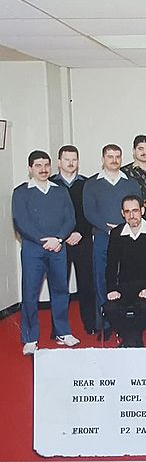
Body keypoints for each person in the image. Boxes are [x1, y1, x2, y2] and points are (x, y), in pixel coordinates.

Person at [12, 150, 78, 355]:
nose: (43, 169)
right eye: (38, 165)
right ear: (30, 168)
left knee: (61, 291)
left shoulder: (60, 191)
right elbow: (21, 222)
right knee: (30, 293)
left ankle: (62, 332)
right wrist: (44, 241)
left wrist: (58, 239)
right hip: (33, 249)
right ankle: (30, 338)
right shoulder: (21, 192)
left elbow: (70, 219)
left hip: (58, 247)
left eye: (46, 165)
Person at [83, 144, 141, 339]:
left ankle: (126, 320)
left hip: (127, 237)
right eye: (110, 156)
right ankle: (106, 322)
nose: (114, 160)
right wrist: (109, 229)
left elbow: (136, 210)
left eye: (117, 156)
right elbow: (89, 212)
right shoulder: (92, 183)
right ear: (103, 159)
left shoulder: (131, 183)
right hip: (102, 236)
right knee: (101, 278)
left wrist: (122, 229)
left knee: (126, 277)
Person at [104, 195, 146, 347]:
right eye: (127, 211)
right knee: (110, 308)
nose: (132, 215)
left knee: (145, 307)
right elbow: (111, 265)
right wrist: (112, 289)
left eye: (135, 210)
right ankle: (133, 339)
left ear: (142, 211)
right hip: (124, 287)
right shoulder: (116, 233)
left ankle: (129, 341)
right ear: (122, 213)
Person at [50, 145, 96, 335]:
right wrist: (63, 235)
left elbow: (91, 212)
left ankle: (90, 324)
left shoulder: (86, 184)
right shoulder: (51, 184)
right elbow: (49, 215)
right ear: (59, 162)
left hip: (82, 239)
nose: (70, 163)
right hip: (59, 242)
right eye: (66, 159)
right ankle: (58, 328)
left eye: (74, 159)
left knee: (87, 284)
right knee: (59, 285)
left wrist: (80, 233)